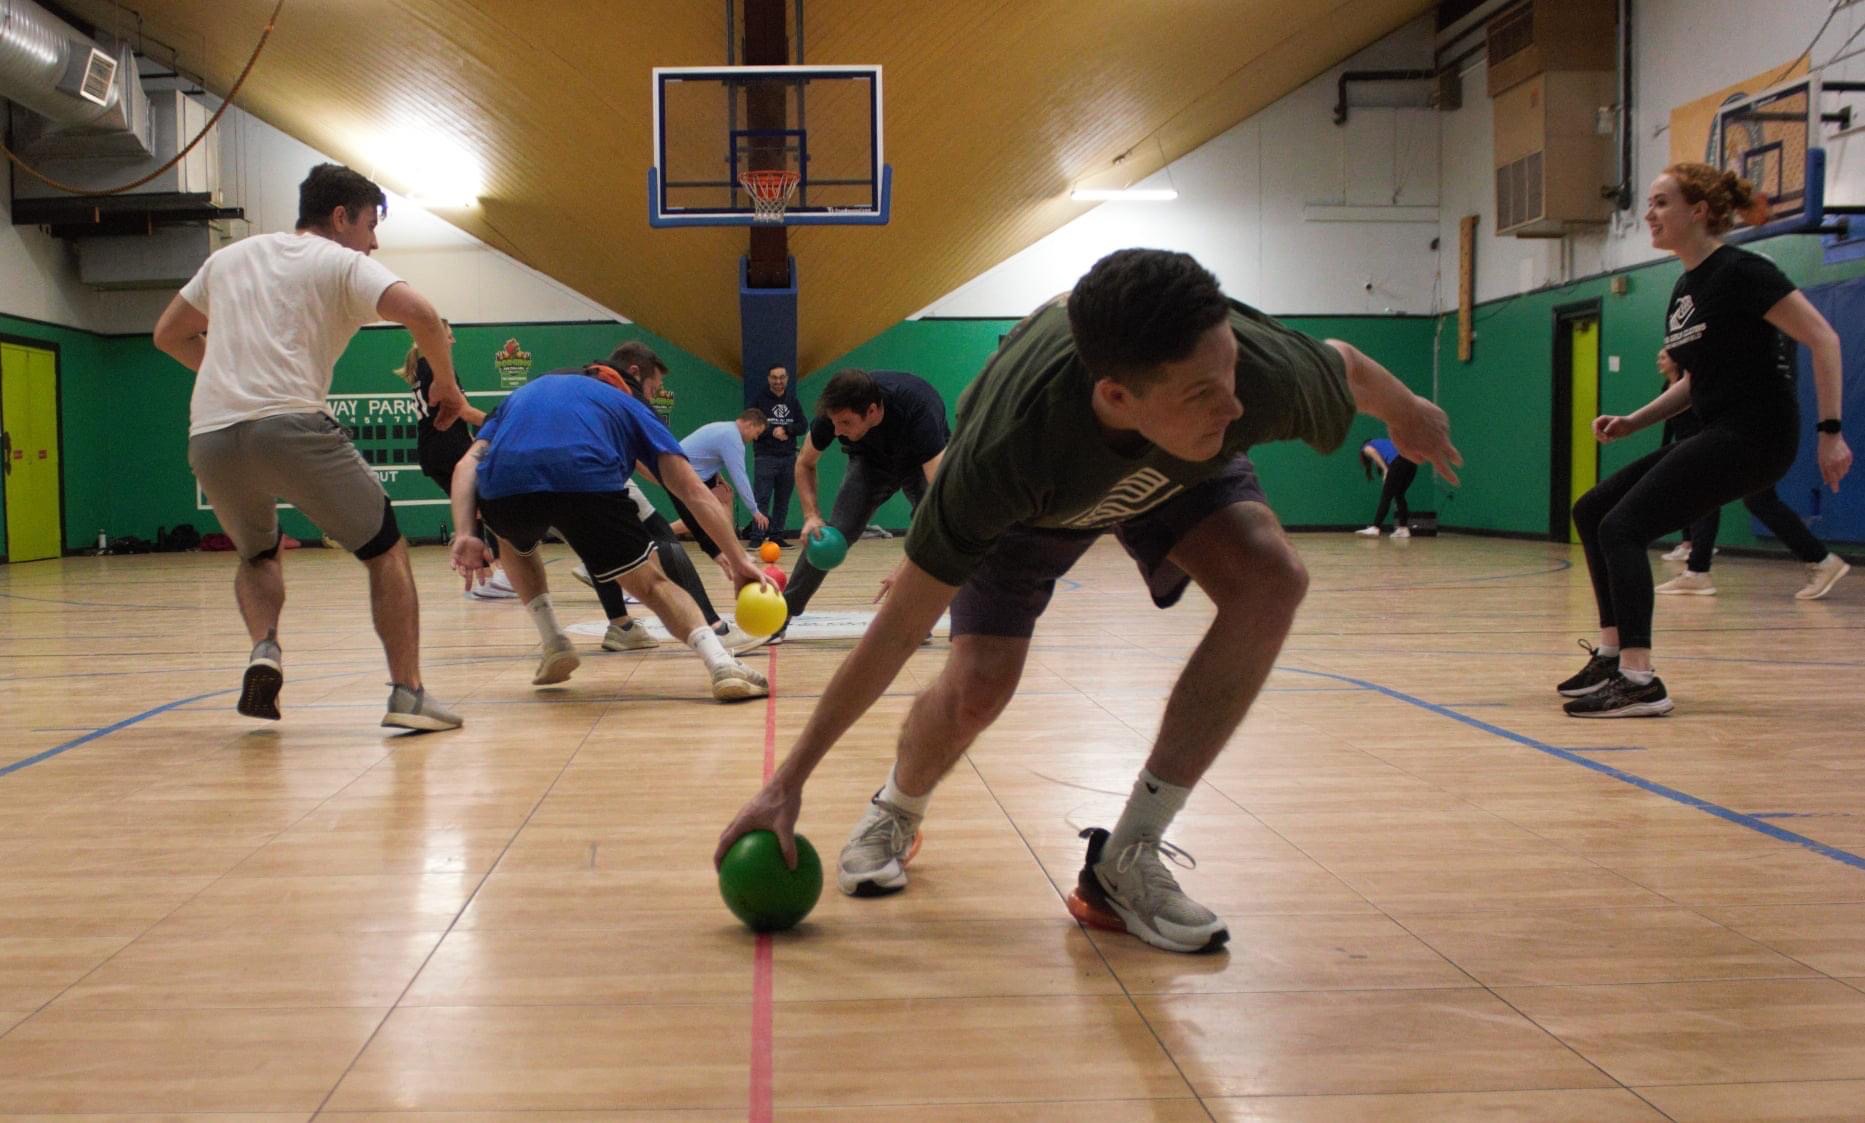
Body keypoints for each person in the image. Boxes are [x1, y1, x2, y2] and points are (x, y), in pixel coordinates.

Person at [715, 248, 1461, 954]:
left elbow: (1342, 362)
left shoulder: (1238, 385)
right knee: (978, 686)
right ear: (1115, 394)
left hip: (1179, 462)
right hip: (1038, 505)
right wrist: (788, 783)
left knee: (1272, 578)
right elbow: (898, 628)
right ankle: (896, 807)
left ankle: (1126, 855)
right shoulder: (1004, 453)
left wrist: (1408, 413)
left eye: (1229, 372)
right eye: (1205, 390)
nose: (1235, 405)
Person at [154, 162, 467, 731]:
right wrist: (444, 383)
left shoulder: (228, 258)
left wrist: (224, 374)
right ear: (341, 216)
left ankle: (265, 650)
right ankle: (409, 693)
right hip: (291, 425)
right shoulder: (340, 262)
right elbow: (421, 313)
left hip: (212, 435)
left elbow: (168, 333)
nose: (373, 243)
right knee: (385, 549)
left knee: (257, 552)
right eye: (371, 225)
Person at [1562, 164, 1853, 717]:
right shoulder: (1686, 287)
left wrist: (1830, 432)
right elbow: (1697, 381)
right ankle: (1611, 652)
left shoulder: (1744, 271)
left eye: (1661, 202)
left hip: (1757, 436)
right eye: (1649, 204)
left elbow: (1824, 338)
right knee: (1593, 508)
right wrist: (1633, 421)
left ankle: (1639, 679)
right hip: (1721, 429)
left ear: (1698, 211)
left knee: (1623, 526)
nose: (1649, 213)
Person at [446, 366, 771, 702]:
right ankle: (721, 663)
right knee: (652, 584)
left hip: (506, 487)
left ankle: (554, 640)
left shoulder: (518, 398)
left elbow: (465, 466)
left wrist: (466, 532)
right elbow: (693, 491)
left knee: (513, 543)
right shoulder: (626, 404)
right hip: (587, 480)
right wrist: (738, 558)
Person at [566, 344, 762, 654]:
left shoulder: (580, 378)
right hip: (591, 470)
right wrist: (728, 553)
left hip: (528, 477)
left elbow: (655, 474)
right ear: (634, 373)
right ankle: (715, 628)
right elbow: (685, 491)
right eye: (654, 387)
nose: (655, 395)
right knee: (662, 536)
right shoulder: (628, 400)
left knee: (596, 546)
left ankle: (619, 627)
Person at [1652, 352, 1851, 599]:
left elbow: (1824, 341)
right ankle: (1820, 559)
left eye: (1665, 355)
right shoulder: (1691, 375)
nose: (1660, 358)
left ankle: (1697, 572)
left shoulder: (1746, 350)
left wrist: (1830, 431)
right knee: (1753, 500)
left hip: (1749, 429)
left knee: (1717, 495)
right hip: (1744, 430)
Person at [779, 368, 950, 631]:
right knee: (833, 533)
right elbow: (804, 464)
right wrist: (811, 516)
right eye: (834, 423)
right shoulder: (833, 417)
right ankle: (782, 615)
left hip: (919, 462)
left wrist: (907, 564)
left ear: (872, 411)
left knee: (933, 536)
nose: (836, 431)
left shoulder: (919, 411)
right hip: (870, 463)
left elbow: (939, 501)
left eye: (845, 423)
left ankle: (916, 621)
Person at [397, 322, 515, 600]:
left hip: (437, 449)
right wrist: (495, 423)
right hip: (447, 448)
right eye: (449, 336)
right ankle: (503, 574)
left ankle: (490, 576)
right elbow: (447, 400)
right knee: (490, 504)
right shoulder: (432, 364)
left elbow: (448, 405)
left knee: (479, 508)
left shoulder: (425, 366)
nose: (453, 341)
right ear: (435, 338)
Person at [749, 364, 804, 548]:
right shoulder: (759, 400)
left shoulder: (792, 400)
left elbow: (803, 425)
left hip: (789, 457)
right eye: (774, 377)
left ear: (787, 379)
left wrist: (788, 429)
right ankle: (757, 536)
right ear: (769, 379)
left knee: (783, 499)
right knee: (761, 498)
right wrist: (772, 431)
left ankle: (776, 536)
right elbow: (750, 424)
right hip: (765, 457)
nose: (778, 381)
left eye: (782, 377)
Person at [1354, 435, 1417, 538]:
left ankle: (1375, 527)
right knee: (1399, 495)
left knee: (1386, 497)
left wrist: (1385, 470)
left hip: (1399, 462)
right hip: (1412, 463)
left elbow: (1371, 451)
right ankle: (1403, 529)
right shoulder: (1385, 443)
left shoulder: (1366, 446)